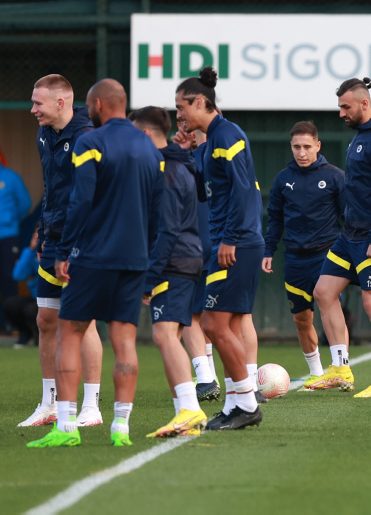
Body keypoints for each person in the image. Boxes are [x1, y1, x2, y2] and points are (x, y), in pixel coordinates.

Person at [27, 79, 165, 448]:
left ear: (98, 105)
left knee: (71, 331)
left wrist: (65, 250)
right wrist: (152, 264)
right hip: (134, 258)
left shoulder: (90, 141)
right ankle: (120, 427)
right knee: (124, 339)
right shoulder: (150, 148)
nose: (33, 110)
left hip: (89, 253)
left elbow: (81, 201)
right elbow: (158, 212)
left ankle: (68, 425)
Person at [175, 67, 264, 430]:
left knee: (213, 322)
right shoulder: (209, 141)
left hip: (237, 243)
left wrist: (230, 238)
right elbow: (202, 192)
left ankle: (245, 403)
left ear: (200, 102)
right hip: (228, 242)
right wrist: (185, 153)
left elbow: (245, 190)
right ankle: (236, 404)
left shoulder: (228, 134)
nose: (178, 115)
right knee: (217, 324)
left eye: (181, 107)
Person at [20, 74, 105, 429]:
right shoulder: (44, 134)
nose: (32, 109)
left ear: (61, 103)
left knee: (83, 324)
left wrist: (78, 242)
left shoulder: (87, 137)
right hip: (52, 240)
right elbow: (51, 187)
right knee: (45, 320)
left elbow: (93, 196)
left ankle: (92, 406)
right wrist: (43, 228)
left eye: (38, 103)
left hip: (81, 242)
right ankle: (49, 403)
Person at [312, 77, 371, 398]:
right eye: (339, 107)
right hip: (350, 236)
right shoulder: (361, 136)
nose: (341, 113)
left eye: (345, 107)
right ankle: (340, 369)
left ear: (364, 104)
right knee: (323, 291)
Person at [130, 106, 208, 437]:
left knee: (163, 335)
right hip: (180, 260)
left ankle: (190, 409)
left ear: (146, 136)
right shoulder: (176, 163)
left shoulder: (169, 170)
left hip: (175, 262)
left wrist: (150, 277)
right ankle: (184, 414)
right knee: (169, 335)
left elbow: (168, 229)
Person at [261, 121, 346, 384]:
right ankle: (316, 373)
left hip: (326, 257)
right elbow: (274, 218)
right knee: (302, 318)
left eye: (307, 146)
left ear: (318, 146)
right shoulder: (283, 180)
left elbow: (348, 218)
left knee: (330, 306)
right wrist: (268, 250)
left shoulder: (334, 176)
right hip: (295, 259)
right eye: (296, 147)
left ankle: (342, 369)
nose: (301, 152)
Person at [174, 124, 220, 402]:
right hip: (210, 248)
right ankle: (214, 378)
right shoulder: (227, 159)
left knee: (198, 316)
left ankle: (210, 378)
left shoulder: (189, 161)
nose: (181, 131)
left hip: (200, 248)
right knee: (203, 316)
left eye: (186, 125)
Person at [0, 142, 31, 334]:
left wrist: (11, 221)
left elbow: (25, 203)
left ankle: (10, 323)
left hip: (7, 236)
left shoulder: (10, 178)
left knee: (8, 279)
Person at [3, 227, 39, 348]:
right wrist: (30, 250)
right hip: (37, 298)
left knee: (32, 310)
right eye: (36, 234)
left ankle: (42, 337)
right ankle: (26, 334)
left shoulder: (59, 250)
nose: (39, 237)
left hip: (57, 299)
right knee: (10, 304)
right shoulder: (31, 253)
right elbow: (18, 275)